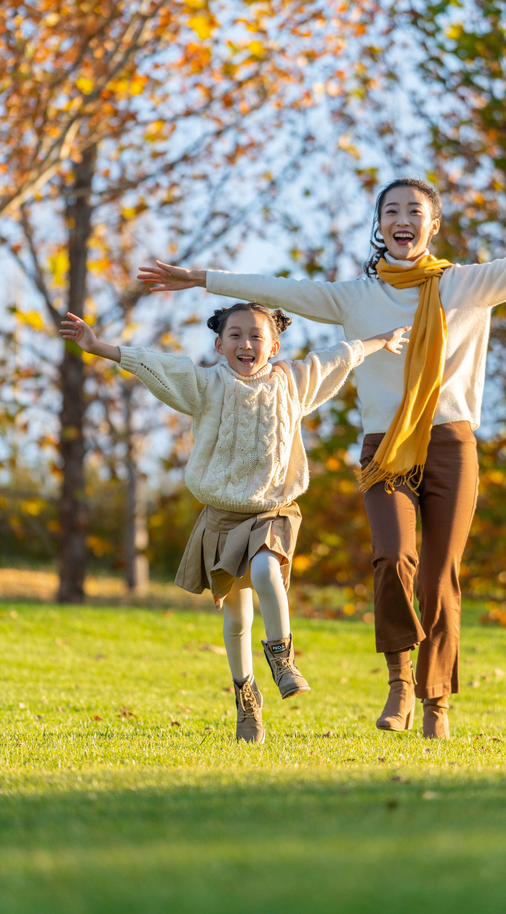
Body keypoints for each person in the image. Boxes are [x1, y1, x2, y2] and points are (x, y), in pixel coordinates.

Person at [137, 180, 506, 739]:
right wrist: (199, 279)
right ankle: (399, 681)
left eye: (414, 211)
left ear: (432, 225)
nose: (402, 219)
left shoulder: (468, 284)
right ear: (380, 224)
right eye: (391, 210)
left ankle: (436, 700)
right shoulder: (356, 297)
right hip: (385, 448)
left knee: (439, 577)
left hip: (449, 443)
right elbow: (280, 289)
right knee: (394, 558)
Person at [59, 303, 409, 743]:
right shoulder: (206, 385)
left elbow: (338, 356)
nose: (247, 344)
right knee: (237, 619)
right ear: (220, 344)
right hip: (223, 518)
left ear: (274, 345)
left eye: (256, 336)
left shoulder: (292, 382)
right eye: (236, 335)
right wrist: (99, 347)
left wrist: (381, 341)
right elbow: (156, 364)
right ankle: (247, 700)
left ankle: (282, 658)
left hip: (273, 510)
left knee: (265, 570)